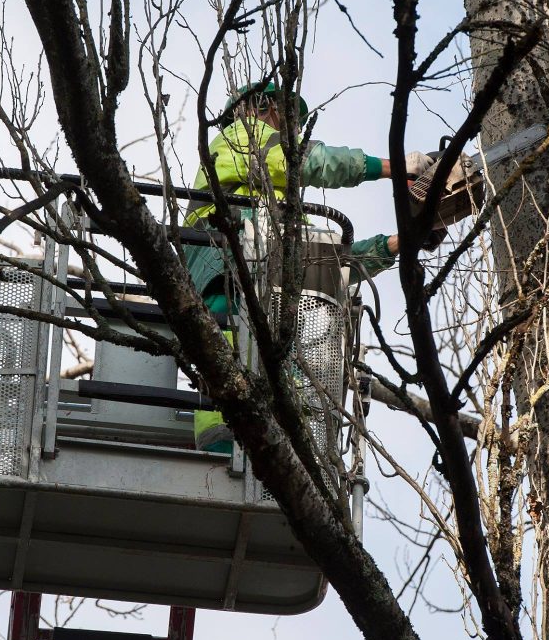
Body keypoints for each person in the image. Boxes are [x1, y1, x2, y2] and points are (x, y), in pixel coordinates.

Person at [185, 82, 434, 451]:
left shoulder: (276, 211)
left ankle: (274, 439)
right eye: (287, 118)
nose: (293, 131)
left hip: (261, 276)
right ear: (257, 107)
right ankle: (224, 434)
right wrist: (394, 168)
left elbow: (328, 260)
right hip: (223, 261)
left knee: (277, 352)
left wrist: (400, 241)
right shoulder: (238, 138)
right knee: (229, 344)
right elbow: (310, 161)